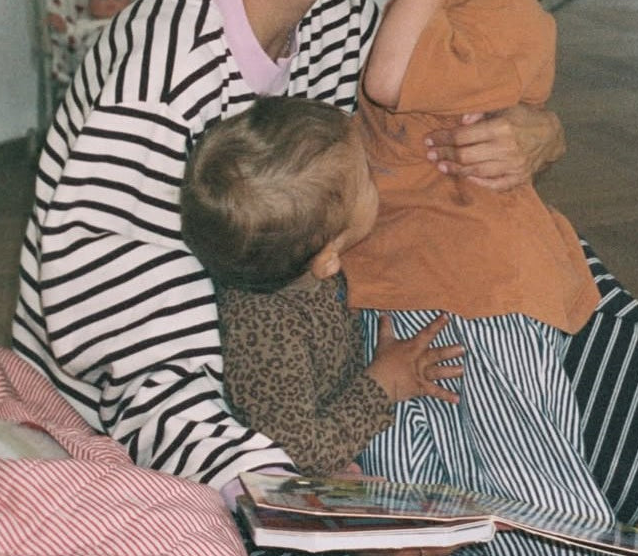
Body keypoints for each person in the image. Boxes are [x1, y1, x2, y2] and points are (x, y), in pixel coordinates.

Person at [9, 0, 638, 554]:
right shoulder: (146, 98)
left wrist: (534, 130)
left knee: (548, 299)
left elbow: (421, 163)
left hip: (339, 349)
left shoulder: (343, 7)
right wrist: (352, 504)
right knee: (490, 489)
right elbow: (152, 401)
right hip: (205, 436)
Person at [341, 0, 618, 542]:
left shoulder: (511, 12)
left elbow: (389, 80)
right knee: (407, 498)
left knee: (533, 500)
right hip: (400, 290)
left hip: (482, 298)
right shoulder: (438, 2)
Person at [179, 95, 464, 477]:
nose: (375, 172)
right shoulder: (267, 336)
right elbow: (300, 451)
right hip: (321, 468)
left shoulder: (291, 264)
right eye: (366, 179)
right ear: (328, 257)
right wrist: (381, 384)